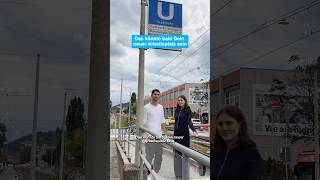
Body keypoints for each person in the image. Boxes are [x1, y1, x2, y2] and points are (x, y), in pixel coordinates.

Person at [212, 106, 262, 180]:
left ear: (240, 124)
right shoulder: (214, 151)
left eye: (229, 123)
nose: (224, 128)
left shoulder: (251, 154)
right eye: (220, 124)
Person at [143, 89, 167, 177]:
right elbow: (144, 122)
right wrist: (145, 136)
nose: (156, 96)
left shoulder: (161, 107)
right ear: (151, 95)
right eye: (155, 94)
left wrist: (165, 135)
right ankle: (147, 175)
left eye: (158, 94)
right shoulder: (146, 107)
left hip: (159, 137)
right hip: (149, 137)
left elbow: (162, 121)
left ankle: (156, 173)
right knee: (149, 156)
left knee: (159, 157)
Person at [173, 95, 198, 179]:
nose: (180, 101)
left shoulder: (188, 110)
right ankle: (178, 174)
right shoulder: (176, 110)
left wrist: (194, 130)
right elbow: (175, 122)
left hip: (184, 133)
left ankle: (185, 174)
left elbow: (189, 122)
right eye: (178, 100)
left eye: (181, 100)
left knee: (184, 153)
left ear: (185, 101)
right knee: (177, 153)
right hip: (176, 133)